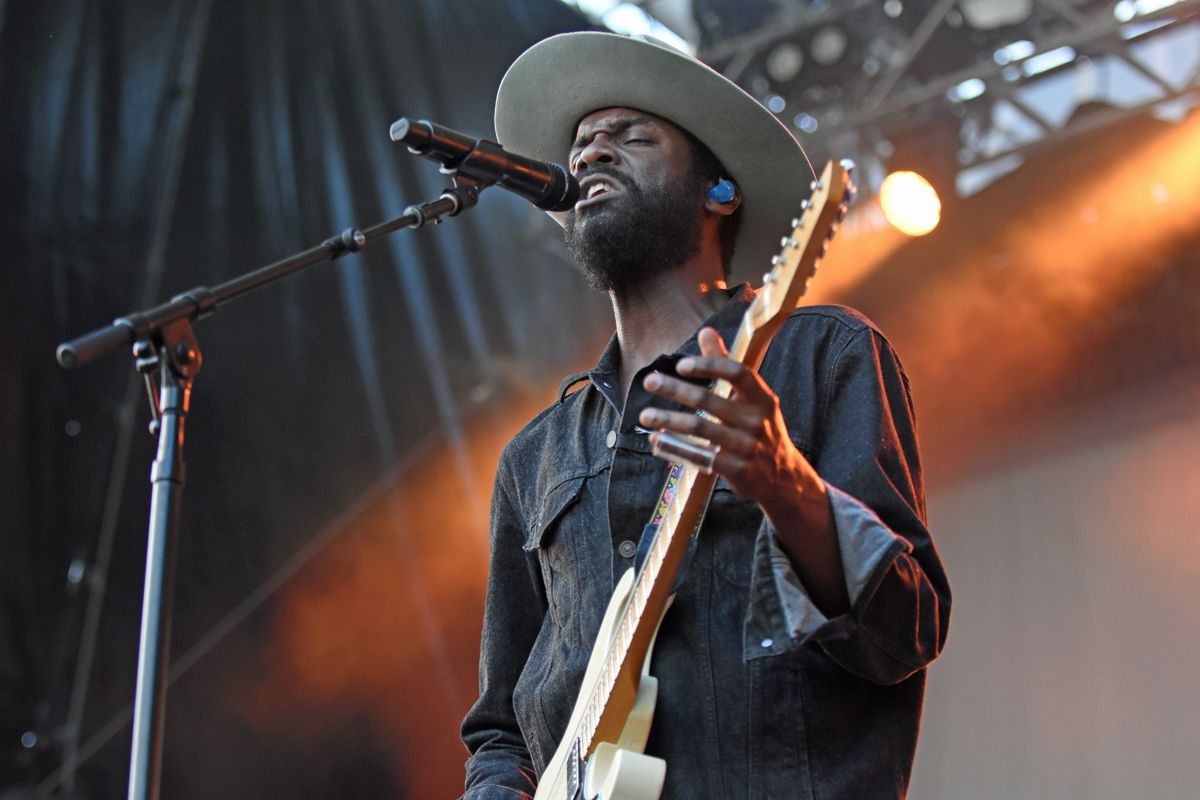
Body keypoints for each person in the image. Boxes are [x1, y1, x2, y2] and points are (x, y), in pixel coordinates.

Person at [460, 32, 950, 799]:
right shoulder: (536, 457)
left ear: (721, 191)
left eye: (633, 138)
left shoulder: (822, 355)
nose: (592, 153)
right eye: (582, 145)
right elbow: (501, 730)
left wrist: (785, 484)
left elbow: (907, 629)